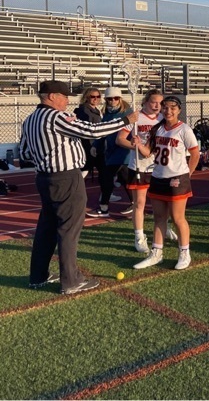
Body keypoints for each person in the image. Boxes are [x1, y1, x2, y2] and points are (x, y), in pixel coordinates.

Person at [22, 80, 138, 295]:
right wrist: (125, 121)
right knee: (68, 229)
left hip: (44, 178)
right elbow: (92, 131)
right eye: (64, 96)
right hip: (65, 177)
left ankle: (38, 275)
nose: (67, 100)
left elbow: (25, 153)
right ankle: (71, 281)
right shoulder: (55, 117)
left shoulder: (30, 119)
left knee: (46, 228)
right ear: (52, 96)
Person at [133, 96, 200, 270]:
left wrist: (187, 175)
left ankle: (184, 252)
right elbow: (148, 152)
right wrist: (138, 144)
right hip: (158, 177)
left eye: (172, 108)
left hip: (177, 179)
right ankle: (157, 253)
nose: (168, 111)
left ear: (178, 110)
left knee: (178, 219)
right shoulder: (157, 128)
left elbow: (195, 154)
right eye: (165, 107)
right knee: (159, 218)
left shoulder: (184, 129)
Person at [116, 89, 170, 253]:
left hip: (159, 166)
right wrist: (135, 146)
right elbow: (120, 139)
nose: (157, 105)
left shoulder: (163, 118)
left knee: (162, 202)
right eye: (154, 102)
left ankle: (164, 227)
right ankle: (139, 237)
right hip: (139, 166)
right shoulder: (135, 117)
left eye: (160, 103)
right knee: (139, 204)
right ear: (146, 102)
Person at [87, 87, 132, 218]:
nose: (113, 101)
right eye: (110, 99)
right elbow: (103, 131)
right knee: (121, 179)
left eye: (116, 98)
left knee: (111, 179)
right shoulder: (107, 113)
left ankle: (104, 207)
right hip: (111, 151)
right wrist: (96, 145)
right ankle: (107, 207)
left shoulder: (127, 113)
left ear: (120, 99)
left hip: (124, 152)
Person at [73, 87, 103, 179]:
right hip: (90, 142)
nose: (96, 99)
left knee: (97, 167)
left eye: (98, 96)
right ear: (87, 97)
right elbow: (88, 128)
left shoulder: (95, 110)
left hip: (94, 141)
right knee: (91, 165)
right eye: (93, 96)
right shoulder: (85, 110)